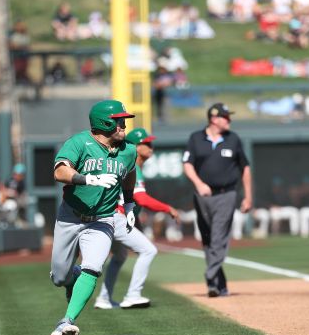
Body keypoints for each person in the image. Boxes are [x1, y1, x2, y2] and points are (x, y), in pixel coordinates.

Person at [48, 99, 138, 335]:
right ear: (103, 122)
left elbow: (130, 173)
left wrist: (129, 202)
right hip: (71, 217)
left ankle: (67, 321)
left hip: (103, 219)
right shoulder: (79, 143)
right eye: (119, 121)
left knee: (93, 268)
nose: (123, 125)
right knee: (59, 277)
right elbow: (59, 171)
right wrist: (86, 179)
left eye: (123, 120)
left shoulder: (129, 150)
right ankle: (71, 276)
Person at [94, 127, 180, 310]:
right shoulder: (132, 164)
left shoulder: (133, 166)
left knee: (119, 256)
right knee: (149, 250)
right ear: (135, 146)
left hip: (115, 216)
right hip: (116, 217)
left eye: (151, 143)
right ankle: (133, 295)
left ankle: (104, 298)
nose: (151, 147)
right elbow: (141, 199)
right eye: (146, 143)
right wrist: (167, 208)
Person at [182, 103, 253, 297]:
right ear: (214, 119)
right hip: (202, 196)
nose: (229, 120)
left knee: (219, 237)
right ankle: (217, 284)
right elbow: (187, 164)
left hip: (226, 194)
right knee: (207, 240)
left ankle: (210, 273)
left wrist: (248, 196)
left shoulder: (233, 139)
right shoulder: (196, 138)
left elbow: (245, 168)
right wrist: (199, 184)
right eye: (225, 117)